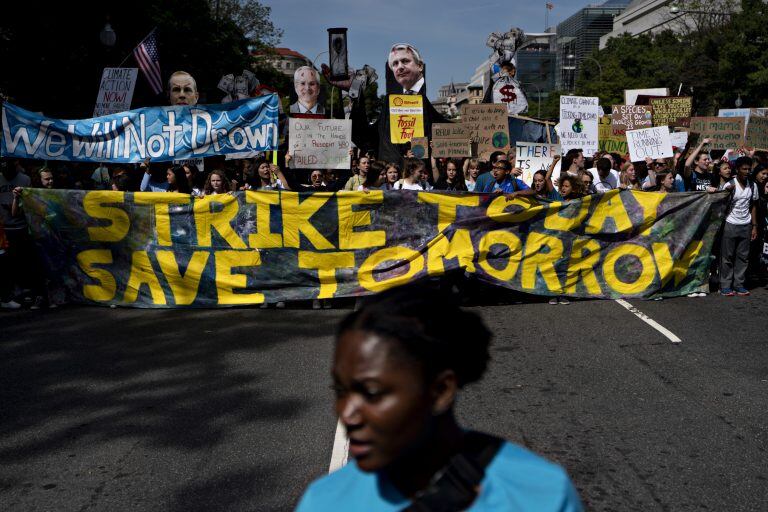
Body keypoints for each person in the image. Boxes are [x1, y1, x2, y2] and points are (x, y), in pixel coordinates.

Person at [296, 284, 583, 511]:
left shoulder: (541, 494)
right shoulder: (322, 502)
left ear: (442, 390)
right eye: (341, 392)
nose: (346, 414)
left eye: (371, 393)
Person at [716, 156, 759, 296]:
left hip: (745, 225)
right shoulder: (728, 185)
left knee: (743, 256)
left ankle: (739, 284)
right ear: (737, 170)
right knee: (727, 257)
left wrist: (754, 226)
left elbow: (753, 206)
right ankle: (725, 286)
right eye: (744, 169)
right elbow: (721, 206)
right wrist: (727, 192)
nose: (747, 171)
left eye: (749, 169)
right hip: (730, 224)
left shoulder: (753, 185)